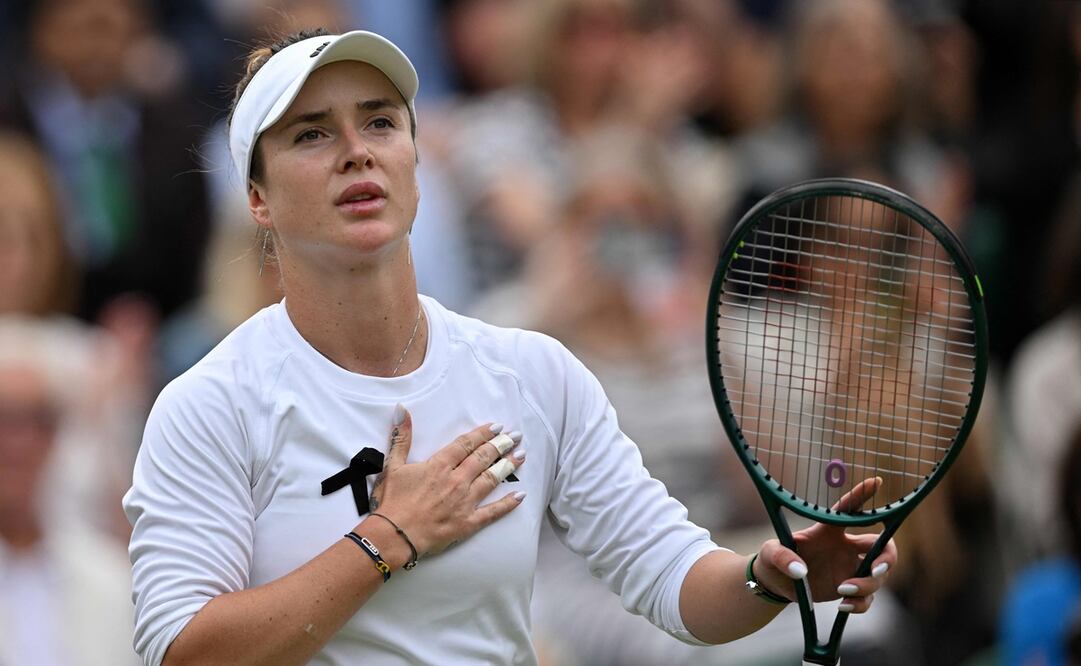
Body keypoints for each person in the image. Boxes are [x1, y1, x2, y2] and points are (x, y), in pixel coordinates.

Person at [123, 28, 897, 666]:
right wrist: (387, 538)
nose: (356, 151)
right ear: (256, 198)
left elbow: (669, 578)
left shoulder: (532, 372)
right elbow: (179, 654)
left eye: (380, 122)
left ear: (416, 165)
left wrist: (771, 576)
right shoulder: (208, 406)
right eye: (311, 134)